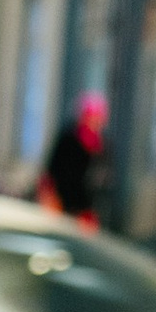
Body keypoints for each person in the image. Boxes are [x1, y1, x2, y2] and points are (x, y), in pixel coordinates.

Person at [40, 88, 107, 226]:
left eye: (97, 117)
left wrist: (89, 212)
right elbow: (52, 170)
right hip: (60, 204)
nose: (94, 121)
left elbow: (97, 182)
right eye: (90, 116)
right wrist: (50, 198)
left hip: (84, 211)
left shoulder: (101, 146)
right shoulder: (68, 139)